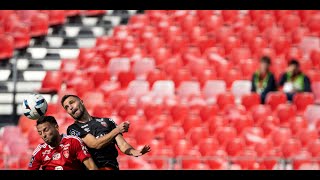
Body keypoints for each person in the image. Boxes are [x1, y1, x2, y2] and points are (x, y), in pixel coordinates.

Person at [61, 94, 151, 170]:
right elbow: (95, 144)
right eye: (67, 107)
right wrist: (117, 130)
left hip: (111, 167)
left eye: (72, 102)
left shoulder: (108, 122)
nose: (71, 107)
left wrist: (134, 152)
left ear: (81, 102)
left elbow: (122, 145)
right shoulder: (73, 129)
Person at [28, 116, 98, 170]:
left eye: (46, 130)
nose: (43, 135)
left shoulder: (73, 141)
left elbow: (92, 167)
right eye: (40, 133)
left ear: (56, 127)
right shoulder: (39, 151)